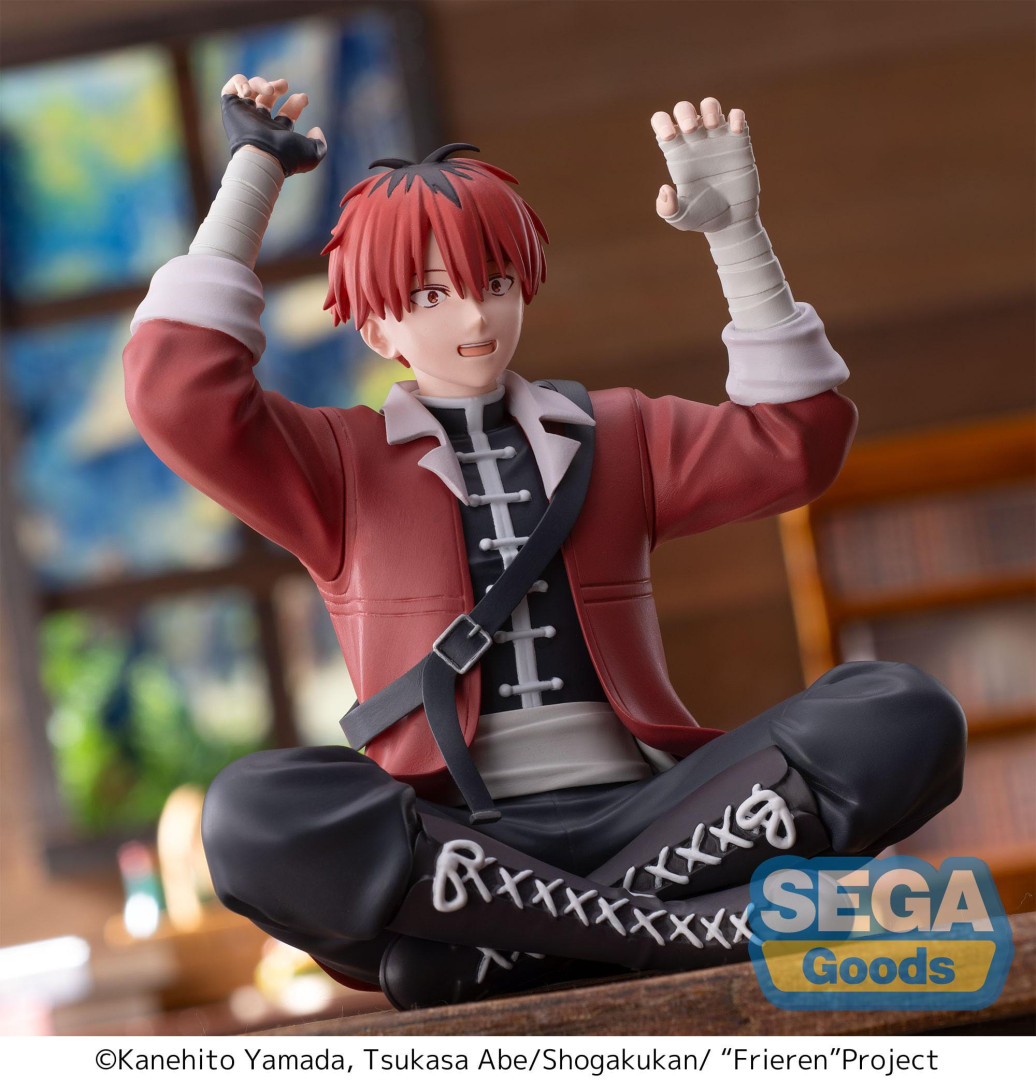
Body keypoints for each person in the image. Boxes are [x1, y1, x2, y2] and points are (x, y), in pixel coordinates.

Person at [123, 76, 966, 1008]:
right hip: (458, 836)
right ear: (376, 325)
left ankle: (528, 944)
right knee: (252, 812)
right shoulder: (337, 468)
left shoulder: (618, 434)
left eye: (493, 283)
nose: (474, 317)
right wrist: (254, 170)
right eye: (431, 294)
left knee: (900, 709)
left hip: (658, 816)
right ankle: (673, 931)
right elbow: (181, 399)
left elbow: (794, 445)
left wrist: (738, 236)